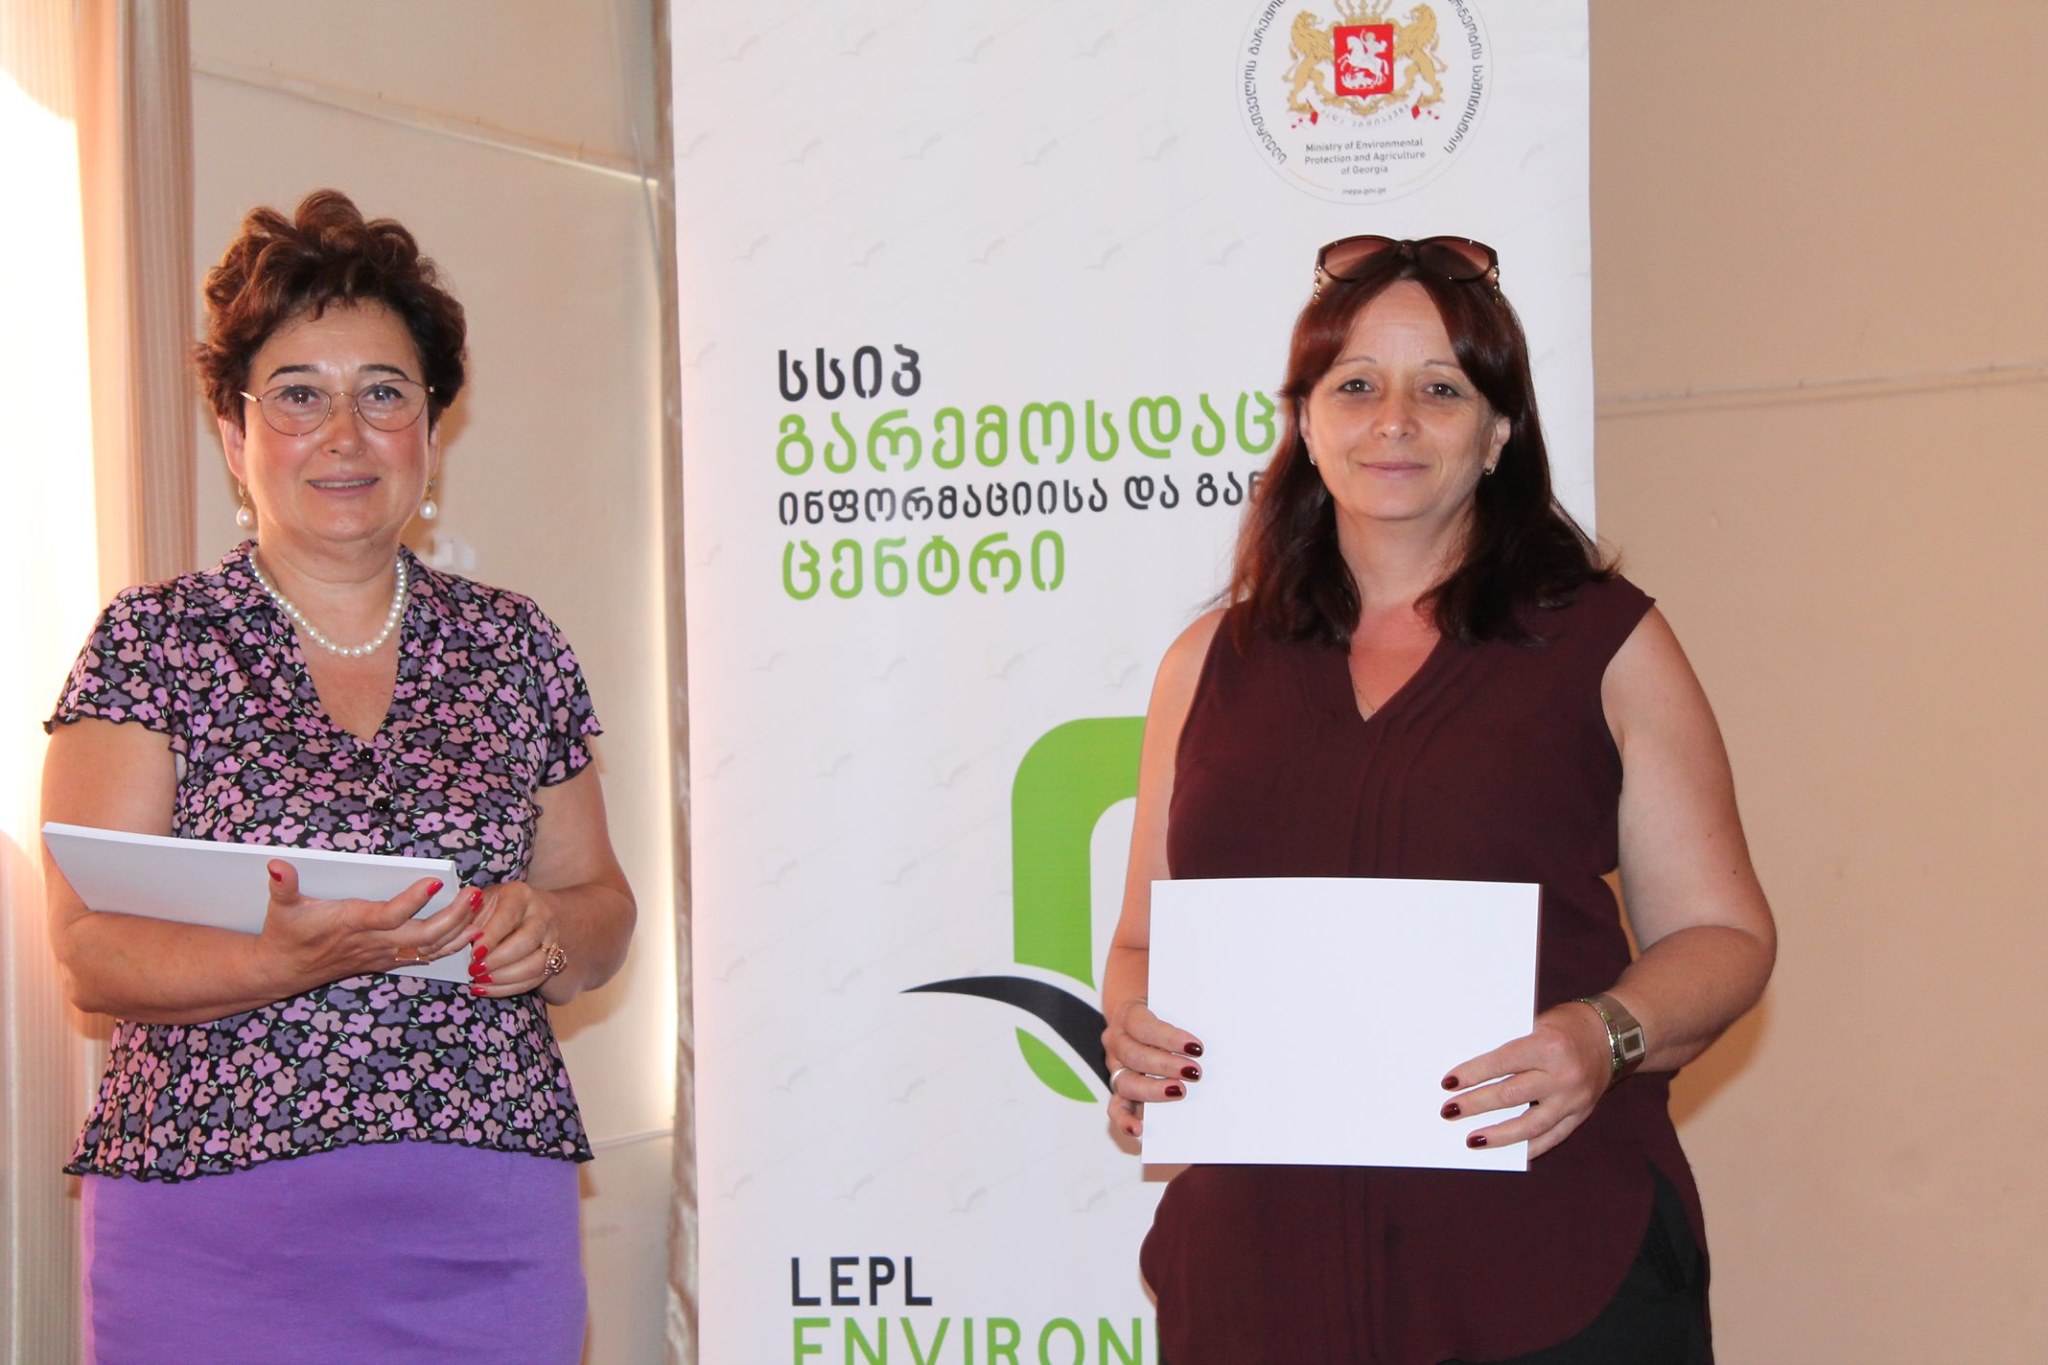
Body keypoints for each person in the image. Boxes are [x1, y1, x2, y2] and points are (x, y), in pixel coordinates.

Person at [1100, 235, 1776, 1364]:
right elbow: (1140, 945)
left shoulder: (1606, 641)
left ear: (1499, 431)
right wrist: (1136, 1031)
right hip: (1256, 1284)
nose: (1395, 421)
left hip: (1548, 1270)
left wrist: (1603, 1034)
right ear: (1304, 421)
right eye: (1355, 385)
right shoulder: (1205, 661)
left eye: (1442, 389)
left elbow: (1725, 935)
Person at [41, 189, 635, 1363]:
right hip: (210, 1227)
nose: (345, 434)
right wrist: (280, 959)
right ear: (236, 438)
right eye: (299, 395)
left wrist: (546, 930)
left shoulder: (516, 644)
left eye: (383, 393)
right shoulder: (154, 640)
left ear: (431, 431)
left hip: (483, 1228)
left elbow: (603, 912)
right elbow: (89, 952)